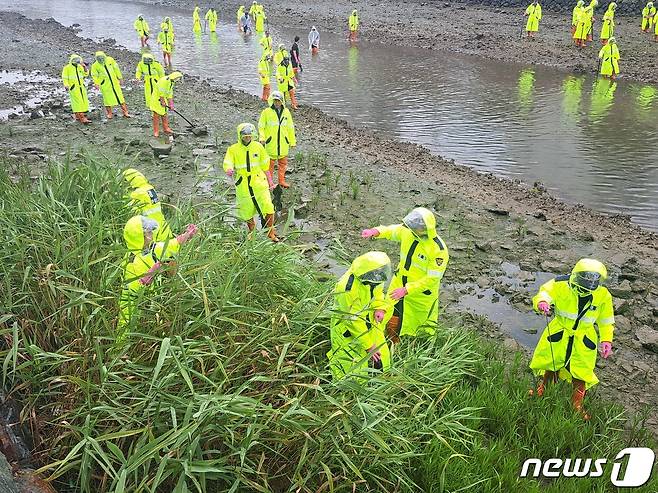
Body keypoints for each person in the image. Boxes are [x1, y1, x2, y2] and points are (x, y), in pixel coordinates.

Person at [529, 259, 615, 420]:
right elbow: (545, 292)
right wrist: (542, 302)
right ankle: (543, 390)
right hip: (560, 332)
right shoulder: (561, 283)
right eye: (587, 279)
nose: (590, 283)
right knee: (552, 363)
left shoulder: (603, 294)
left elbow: (606, 320)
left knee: (581, 372)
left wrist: (606, 340)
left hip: (584, 338)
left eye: (594, 280)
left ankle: (577, 404)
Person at [361, 207, 449, 341]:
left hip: (420, 295)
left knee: (419, 324)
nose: (413, 230)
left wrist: (407, 290)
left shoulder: (438, 250)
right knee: (389, 312)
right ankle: (391, 340)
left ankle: (416, 344)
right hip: (399, 282)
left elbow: (432, 279)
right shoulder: (408, 232)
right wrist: (376, 231)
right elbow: (392, 231)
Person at [118, 215, 197, 339]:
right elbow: (133, 290)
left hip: (151, 303)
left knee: (151, 330)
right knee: (125, 331)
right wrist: (150, 275)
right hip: (131, 306)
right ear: (140, 236)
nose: (151, 235)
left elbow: (171, 245)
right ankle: (120, 353)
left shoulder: (151, 249)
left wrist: (187, 235)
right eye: (148, 232)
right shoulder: (132, 260)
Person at [327, 251, 393, 380]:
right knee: (350, 365)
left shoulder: (374, 277)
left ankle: (381, 379)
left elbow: (378, 293)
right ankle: (347, 391)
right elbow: (353, 320)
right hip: (347, 331)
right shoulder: (348, 289)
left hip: (369, 322)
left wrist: (380, 308)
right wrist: (369, 346)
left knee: (382, 356)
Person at [223, 123, 279, 241]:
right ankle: (251, 232)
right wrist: (228, 169)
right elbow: (228, 161)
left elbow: (265, 166)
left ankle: (270, 231)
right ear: (240, 136)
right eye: (245, 136)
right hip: (243, 183)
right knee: (246, 209)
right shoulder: (233, 149)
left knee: (268, 205)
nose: (247, 138)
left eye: (249, 136)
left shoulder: (258, 147)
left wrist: (270, 182)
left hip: (259, 180)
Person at [122, 169, 173, 241]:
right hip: (164, 230)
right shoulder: (150, 188)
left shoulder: (137, 194)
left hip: (151, 232)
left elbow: (128, 212)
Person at [258, 91, 296, 188]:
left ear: (282, 101)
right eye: (275, 100)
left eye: (278, 101)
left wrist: (292, 141)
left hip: (283, 143)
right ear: (272, 101)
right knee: (269, 164)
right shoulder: (266, 112)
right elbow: (261, 126)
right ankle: (268, 182)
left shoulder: (286, 112)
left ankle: (281, 181)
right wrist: (262, 137)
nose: (276, 103)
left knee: (282, 164)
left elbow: (290, 127)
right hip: (271, 143)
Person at [91, 51, 131, 120]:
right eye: (99, 58)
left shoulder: (110, 60)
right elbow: (94, 75)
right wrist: (96, 84)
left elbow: (116, 69)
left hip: (114, 82)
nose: (101, 59)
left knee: (120, 97)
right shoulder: (95, 65)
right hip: (105, 84)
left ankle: (125, 112)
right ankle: (109, 113)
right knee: (107, 99)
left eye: (102, 57)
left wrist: (120, 78)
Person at [149, 71, 183, 137]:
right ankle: (156, 131)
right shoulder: (164, 81)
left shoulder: (171, 82)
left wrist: (171, 104)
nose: (178, 79)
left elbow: (170, 93)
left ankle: (166, 128)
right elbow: (161, 92)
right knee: (156, 115)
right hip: (157, 99)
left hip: (163, 98)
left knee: (164, 114)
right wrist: (162, 101)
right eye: (178, 78)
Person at [62, 54, 91, 124]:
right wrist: (66, 85)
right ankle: (82, 118)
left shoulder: (79, 66)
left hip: (81, 87)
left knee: (83, 101)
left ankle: (78, 115)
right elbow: (64, 77)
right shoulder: (67, 68)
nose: (76, 61)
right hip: (73, 88)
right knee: (76, 102)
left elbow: (86, 74)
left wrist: (84, 67)